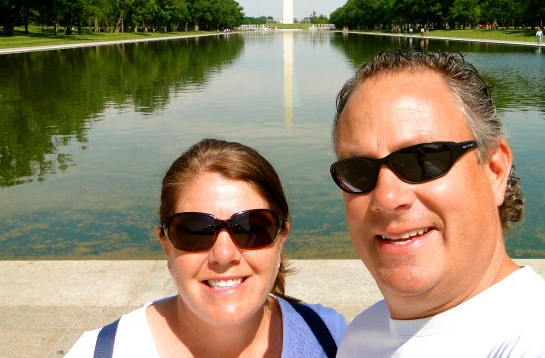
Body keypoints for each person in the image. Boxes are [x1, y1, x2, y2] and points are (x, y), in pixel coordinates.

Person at [329, 49, 545, 356]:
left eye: (423, 159)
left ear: (495, 170)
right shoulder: (362, 335)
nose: (387, 198)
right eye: (358, 171)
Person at [67, 138, 347, 357]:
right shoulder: (99, 352)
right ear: (166, 246)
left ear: (281, 237)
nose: (223, 255)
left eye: (251, 228)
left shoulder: (336, 340)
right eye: (196, 231)